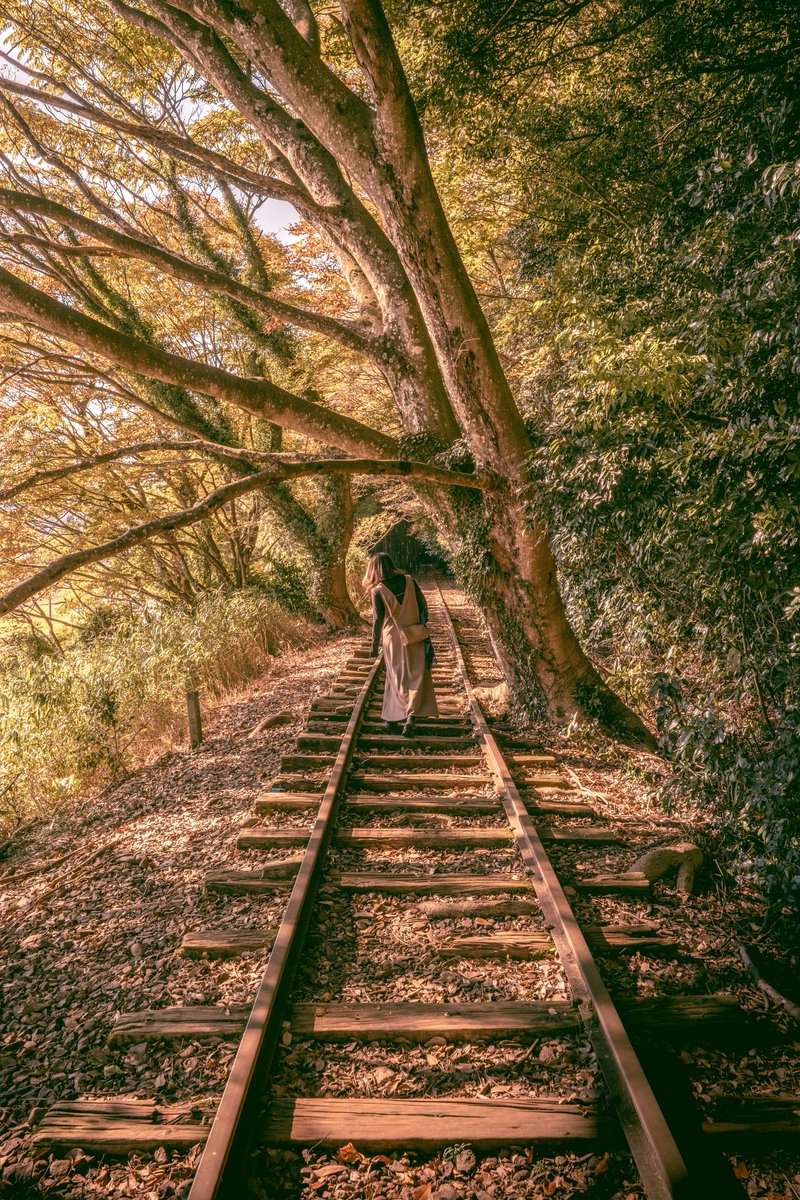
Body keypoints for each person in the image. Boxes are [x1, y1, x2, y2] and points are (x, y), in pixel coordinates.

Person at [364, 552, 439, 737]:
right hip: (415, 635)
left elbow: (377, 620)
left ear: (373, 569)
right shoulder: (409, 581)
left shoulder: (377, 590)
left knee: (396, 677)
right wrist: (419, 625)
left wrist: (374, 646)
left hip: (392, 639)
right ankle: (410, 716)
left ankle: (393, 718)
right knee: (417, 674)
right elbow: (423, 606)